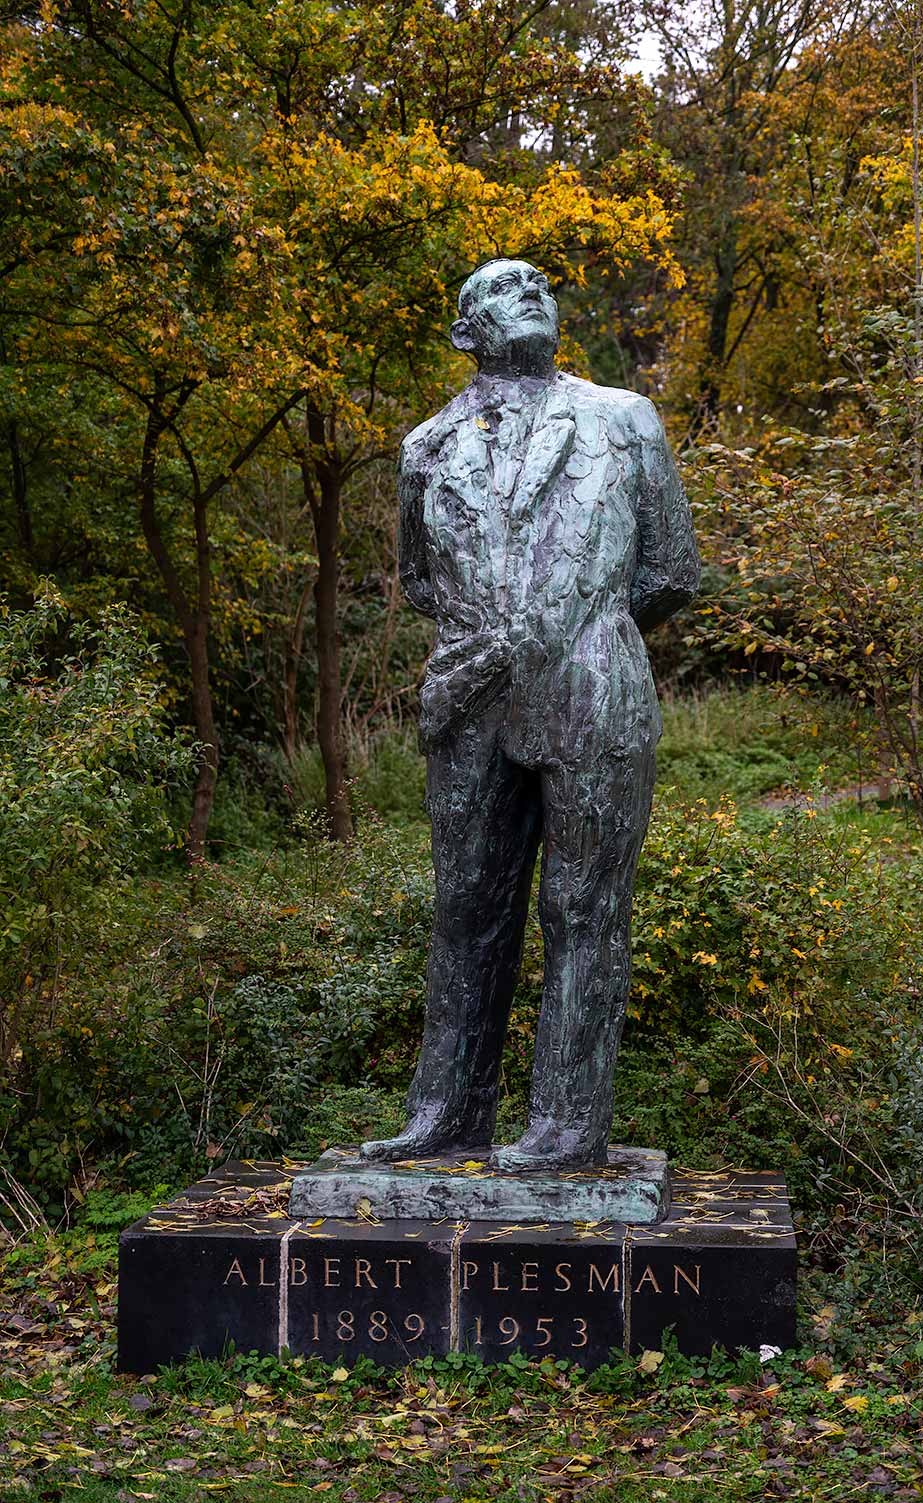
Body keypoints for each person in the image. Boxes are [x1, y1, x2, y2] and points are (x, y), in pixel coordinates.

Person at [360, 258, 700, 1171]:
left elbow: (670, 571)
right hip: (469, 695)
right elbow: (423, 579)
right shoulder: (426, 445)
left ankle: (568, 1121)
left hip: (592, 689)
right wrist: (502, 635)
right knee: (464, 907)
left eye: (541, 285)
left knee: (584, 906)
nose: (534, 293)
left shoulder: (623, 418)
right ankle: (446, 1113)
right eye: (506, 288)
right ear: (466, 331)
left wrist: (576, 627)